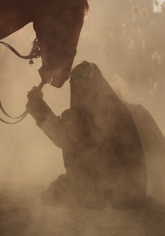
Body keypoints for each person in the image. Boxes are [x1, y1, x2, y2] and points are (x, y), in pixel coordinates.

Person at [26, 61, 147, 208]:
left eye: (79, 84)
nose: (77, 90)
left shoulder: (108, 116)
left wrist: (38, 107)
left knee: (56, 194)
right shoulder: (118, 111)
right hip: (127, 189)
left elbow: (68, 139)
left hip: (109, 190)